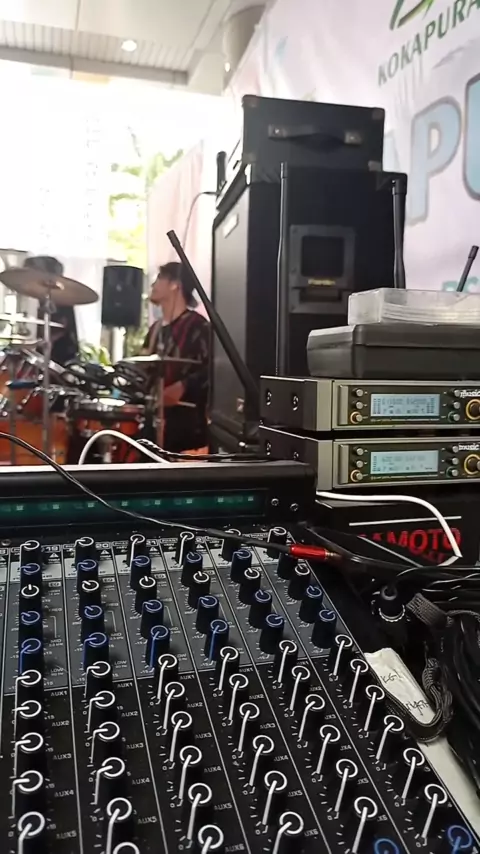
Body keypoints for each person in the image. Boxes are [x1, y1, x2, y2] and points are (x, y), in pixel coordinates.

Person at [142, 262, 210, 453]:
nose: (153, 284)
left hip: (187, 429)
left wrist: (183, 387)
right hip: (153, 422)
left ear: (175, 284)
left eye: (159, 278)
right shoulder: (155, 330)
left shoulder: (198, 326)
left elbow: (213, 372)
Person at [24, 256, 79, 366]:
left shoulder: (61, 297)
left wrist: (46, 342)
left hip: (61, 355)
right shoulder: (41, 297)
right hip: (44, 352)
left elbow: (63, 327)